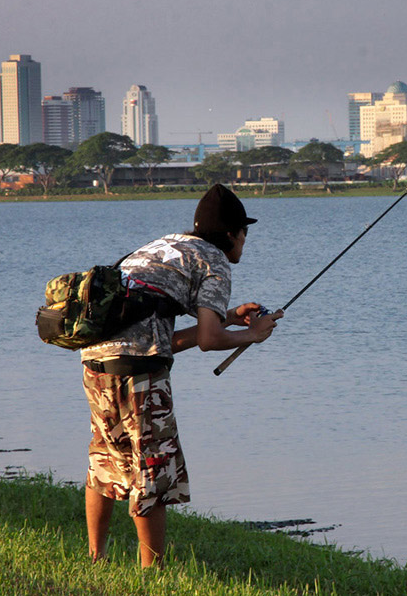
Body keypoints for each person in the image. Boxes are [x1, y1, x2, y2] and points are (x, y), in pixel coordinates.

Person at [79, 184, 283, 567]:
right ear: (230, 235)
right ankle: (151, 573)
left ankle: (96, 558)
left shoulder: (165, 246)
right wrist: (253, 334)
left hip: (95, 359)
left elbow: (164, 336)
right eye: (244, 233)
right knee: (152, 468)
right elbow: (209, 340)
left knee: (105, 459)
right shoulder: (216, 261)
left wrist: (229, 316)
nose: (244, 241)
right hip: (138, 370)